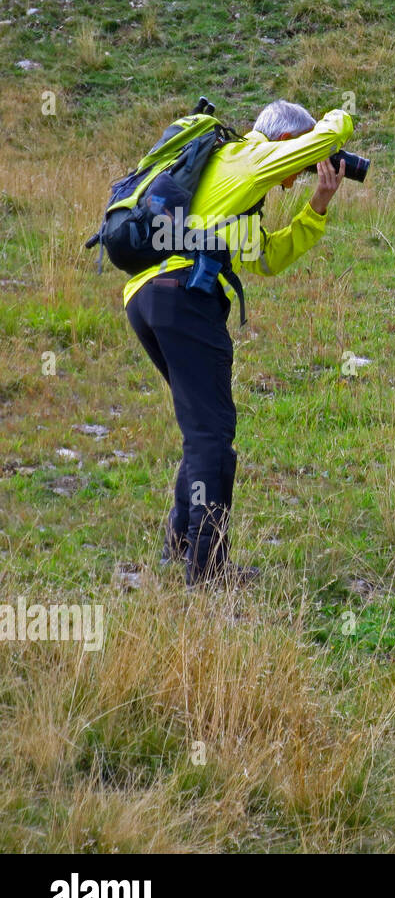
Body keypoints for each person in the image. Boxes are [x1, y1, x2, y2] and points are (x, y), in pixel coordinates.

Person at [123, 100, 355, 587]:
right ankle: (206, 571)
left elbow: (266, 256)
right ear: (286, 143)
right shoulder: (246, 160)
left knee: (202, 427)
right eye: (301, 163)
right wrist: (340, 121)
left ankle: (181, 547)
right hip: (181, 298)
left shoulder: (231, 184)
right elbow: (323, 140)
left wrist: (317, 206)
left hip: (147, 299)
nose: (296, 177)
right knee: (212, 434)